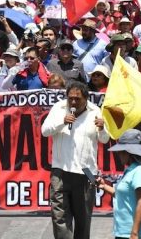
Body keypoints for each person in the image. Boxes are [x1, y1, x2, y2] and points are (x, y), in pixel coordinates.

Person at [41, 82, 107, 239]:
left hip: (85, 173)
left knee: (83, 218)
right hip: (60, 170)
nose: (73, 103)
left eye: (78, 99)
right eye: (70, 99)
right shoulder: (58, 108)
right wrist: (62, 122)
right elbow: (45, 131)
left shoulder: (95, 111)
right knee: (60, 217)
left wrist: (103, 127)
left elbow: (104, 140)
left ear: (86, 99)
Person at [96, 129, 141, 239]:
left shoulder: (140, 172)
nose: (118, 154)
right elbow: (125, 196)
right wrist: (104, 186)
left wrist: (134, 233)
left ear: (128, 152)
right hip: (124, 233)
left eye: (120, 151)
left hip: (137, 234)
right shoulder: (131, 170)